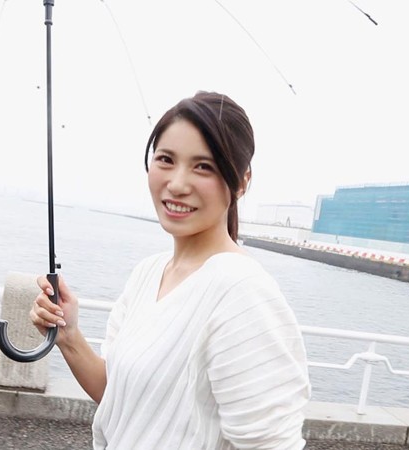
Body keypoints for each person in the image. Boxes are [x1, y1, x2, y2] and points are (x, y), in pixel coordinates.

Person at [30, 91, 311, 449]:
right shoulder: (148, 273)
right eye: (166, 159)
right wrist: (69, 336)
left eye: (203, 166)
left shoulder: (242, 292)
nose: (177, 184)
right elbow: (120, 398)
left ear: (241, 182)